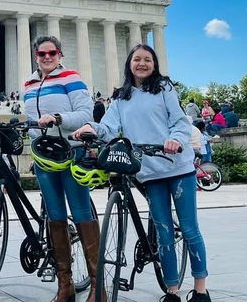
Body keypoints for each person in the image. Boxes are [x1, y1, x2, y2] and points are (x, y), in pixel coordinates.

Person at [72, 44, 210, 302]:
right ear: (130, 64)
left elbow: (179, 121)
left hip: (176, 165)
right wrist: (90, 128)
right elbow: (109, 126)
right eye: (137, 59)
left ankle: (201, 289)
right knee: (163, 231)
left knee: (189, 228)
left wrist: (175, 140)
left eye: (148, 59)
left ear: (154, 64)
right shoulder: (121, 96)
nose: (142, 64)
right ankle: (172, 291)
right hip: (149, 172)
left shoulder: (164, 88)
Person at [24, 36, 100, 302]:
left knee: (80, 214)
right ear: (35, 55)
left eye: (52, 52)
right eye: (42, 53)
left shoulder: (71, 77)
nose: (47, 57)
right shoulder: (29, 84)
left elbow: (84, 113)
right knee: (55, 218)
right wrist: (34, 144)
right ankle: (64, 285)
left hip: (72, 153)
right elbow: (33, 123)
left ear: (60, 54)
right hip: (46, 159)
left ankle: (96, 287)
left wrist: (59, 119)